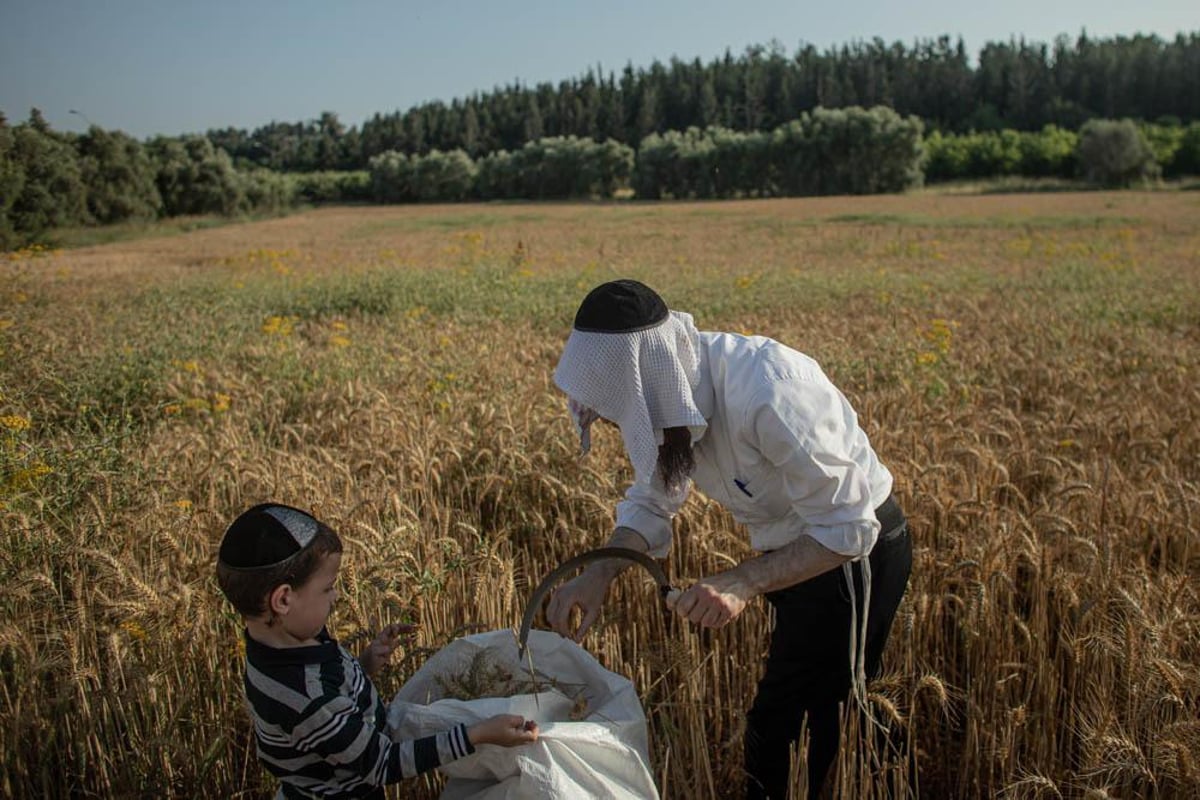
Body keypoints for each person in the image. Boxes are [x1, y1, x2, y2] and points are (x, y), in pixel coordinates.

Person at [546, 279, 913, 800]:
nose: (605, 418)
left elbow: (849, 527)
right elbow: (653, 501)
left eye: (611, 403)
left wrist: (742, 581)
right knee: (810, 714)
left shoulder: (769, 390)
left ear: (642, 380)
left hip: (854, 561)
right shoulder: (667, 395)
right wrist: (598, 573)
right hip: (794, 555)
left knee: (809, 727)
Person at [215, 502, 539, 800]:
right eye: (327, 588)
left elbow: (331, 690)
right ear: (283, 599)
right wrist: (478, 734)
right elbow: (381, 763)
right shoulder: (309, 698)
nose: (337, 596)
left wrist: (365, 664)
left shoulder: (282, 642)